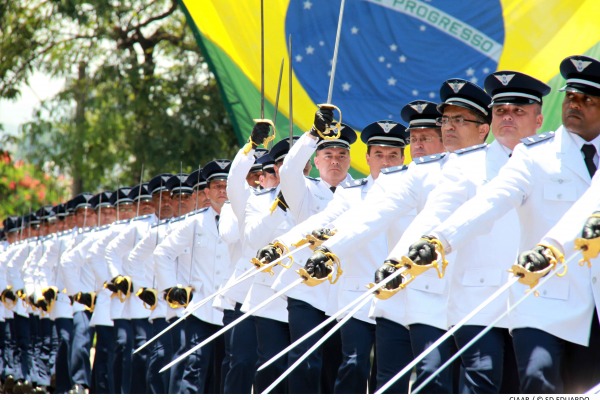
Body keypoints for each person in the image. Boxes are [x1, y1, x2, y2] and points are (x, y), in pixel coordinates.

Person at [404, 55, 600, 394]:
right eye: (570, 96)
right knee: (537, 384)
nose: (574, 105)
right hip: (541, 296)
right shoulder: (536, 155)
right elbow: (488, 200)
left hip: (591, 302)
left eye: (587, 99)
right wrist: (438, 241)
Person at [299, 79, 492, 393]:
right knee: (392, 384)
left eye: (425, 137)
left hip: (460, 296)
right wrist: (330, 250)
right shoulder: (410, 176)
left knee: (446, 384)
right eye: (413, 137)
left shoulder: (492, 167)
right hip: (398, 295)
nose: (418, 145)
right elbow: (370, 215)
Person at [383, 70, 550, 393]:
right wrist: (400, 260)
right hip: (477, 298)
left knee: (526, 387)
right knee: (479, 384)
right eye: (501, 110)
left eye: (518, 111)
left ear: (538, 119)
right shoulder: (465, 165)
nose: (508, 119)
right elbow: (434, 215)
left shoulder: (553, 161)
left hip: (533, 300)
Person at [269, 108, 357, 394]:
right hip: (305, 289)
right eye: (328, 155)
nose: (335, 161)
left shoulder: (362, 193)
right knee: (306, 361)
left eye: (342, 155)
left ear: (350, 160)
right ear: (316, 160)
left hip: (343, 290)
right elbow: (289, 169)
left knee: (338, 364)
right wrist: (312, 135)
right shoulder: (303, 191)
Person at [154, 160, 232, 394]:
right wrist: (171, 288)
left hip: (231, 309)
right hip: (200, 308)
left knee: (222, 373)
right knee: (193, 369)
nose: (222, 190)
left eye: (226, 185)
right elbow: (163, 253)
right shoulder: (194, 222)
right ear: (207, 192)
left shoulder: (244, 220)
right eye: (216, 186)